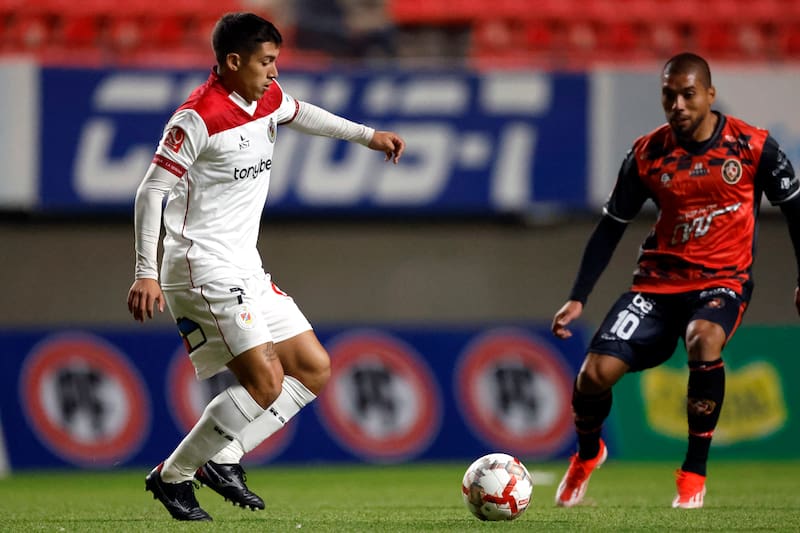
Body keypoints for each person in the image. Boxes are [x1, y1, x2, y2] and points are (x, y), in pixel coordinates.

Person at [126, 12, 405, 521]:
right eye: (266, 62)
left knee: (314, 369)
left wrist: (369, 136)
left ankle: (224, 455)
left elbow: (304, 113)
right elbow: (151, 191)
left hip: (245, 266)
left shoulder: (266, 99)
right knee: (266, 383)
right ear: (233, 62)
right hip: (200, 266)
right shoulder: (198, 117)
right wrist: (145, 270)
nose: (274, 72)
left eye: (276, 61)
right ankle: (174, 476)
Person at [550, 52, 800, 509]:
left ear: (709, 94)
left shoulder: (753, 146)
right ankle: (589, 454)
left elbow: (796, 211)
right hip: (656, 286)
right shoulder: (648, 153)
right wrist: (577, 296)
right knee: (593, 376)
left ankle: (693, 474)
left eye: (688, 94)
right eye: (669, 95)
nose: (678, 105)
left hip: (723, 280)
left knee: (704, 339)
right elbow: (611, 226)